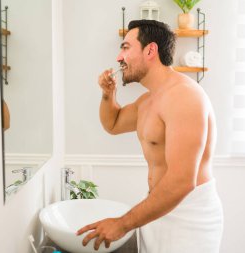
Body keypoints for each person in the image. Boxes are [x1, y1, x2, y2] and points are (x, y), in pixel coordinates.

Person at [77, 20, 223, 253]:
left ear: (150, 50)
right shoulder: (149, 100)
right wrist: (108, 95)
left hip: (190, 218)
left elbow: (182, 181)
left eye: (125, 47)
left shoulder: (184, 97)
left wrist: (122, 224)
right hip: (158, 211)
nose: (118, 57)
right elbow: (112, 125)